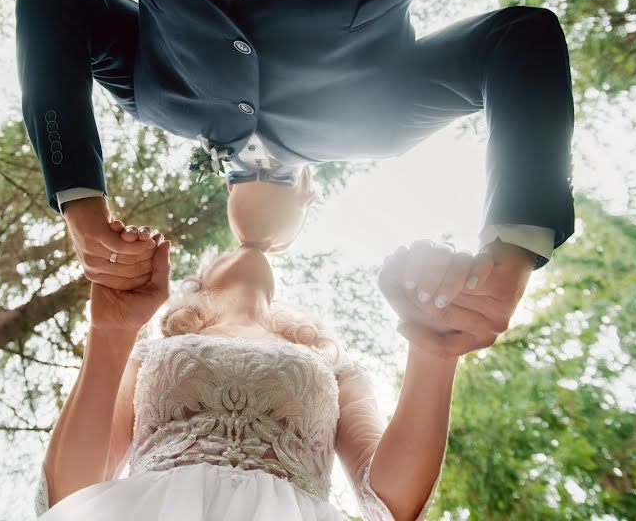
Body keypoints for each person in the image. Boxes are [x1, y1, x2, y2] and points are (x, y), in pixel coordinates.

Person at [14, 0, 576, 357]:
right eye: (277, 245)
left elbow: (52, 0)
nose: (260, 241)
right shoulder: (375, 130)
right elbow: (519, 42)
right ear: (311, 193)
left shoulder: (155, 100)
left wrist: (78, 199)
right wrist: (515, 246)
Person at [33, 219, 502, 520]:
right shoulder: (153, 350)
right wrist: (111, 331)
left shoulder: (334, 366)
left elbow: (392, 504)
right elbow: (70, 494)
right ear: (197, 283)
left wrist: (434, 354)